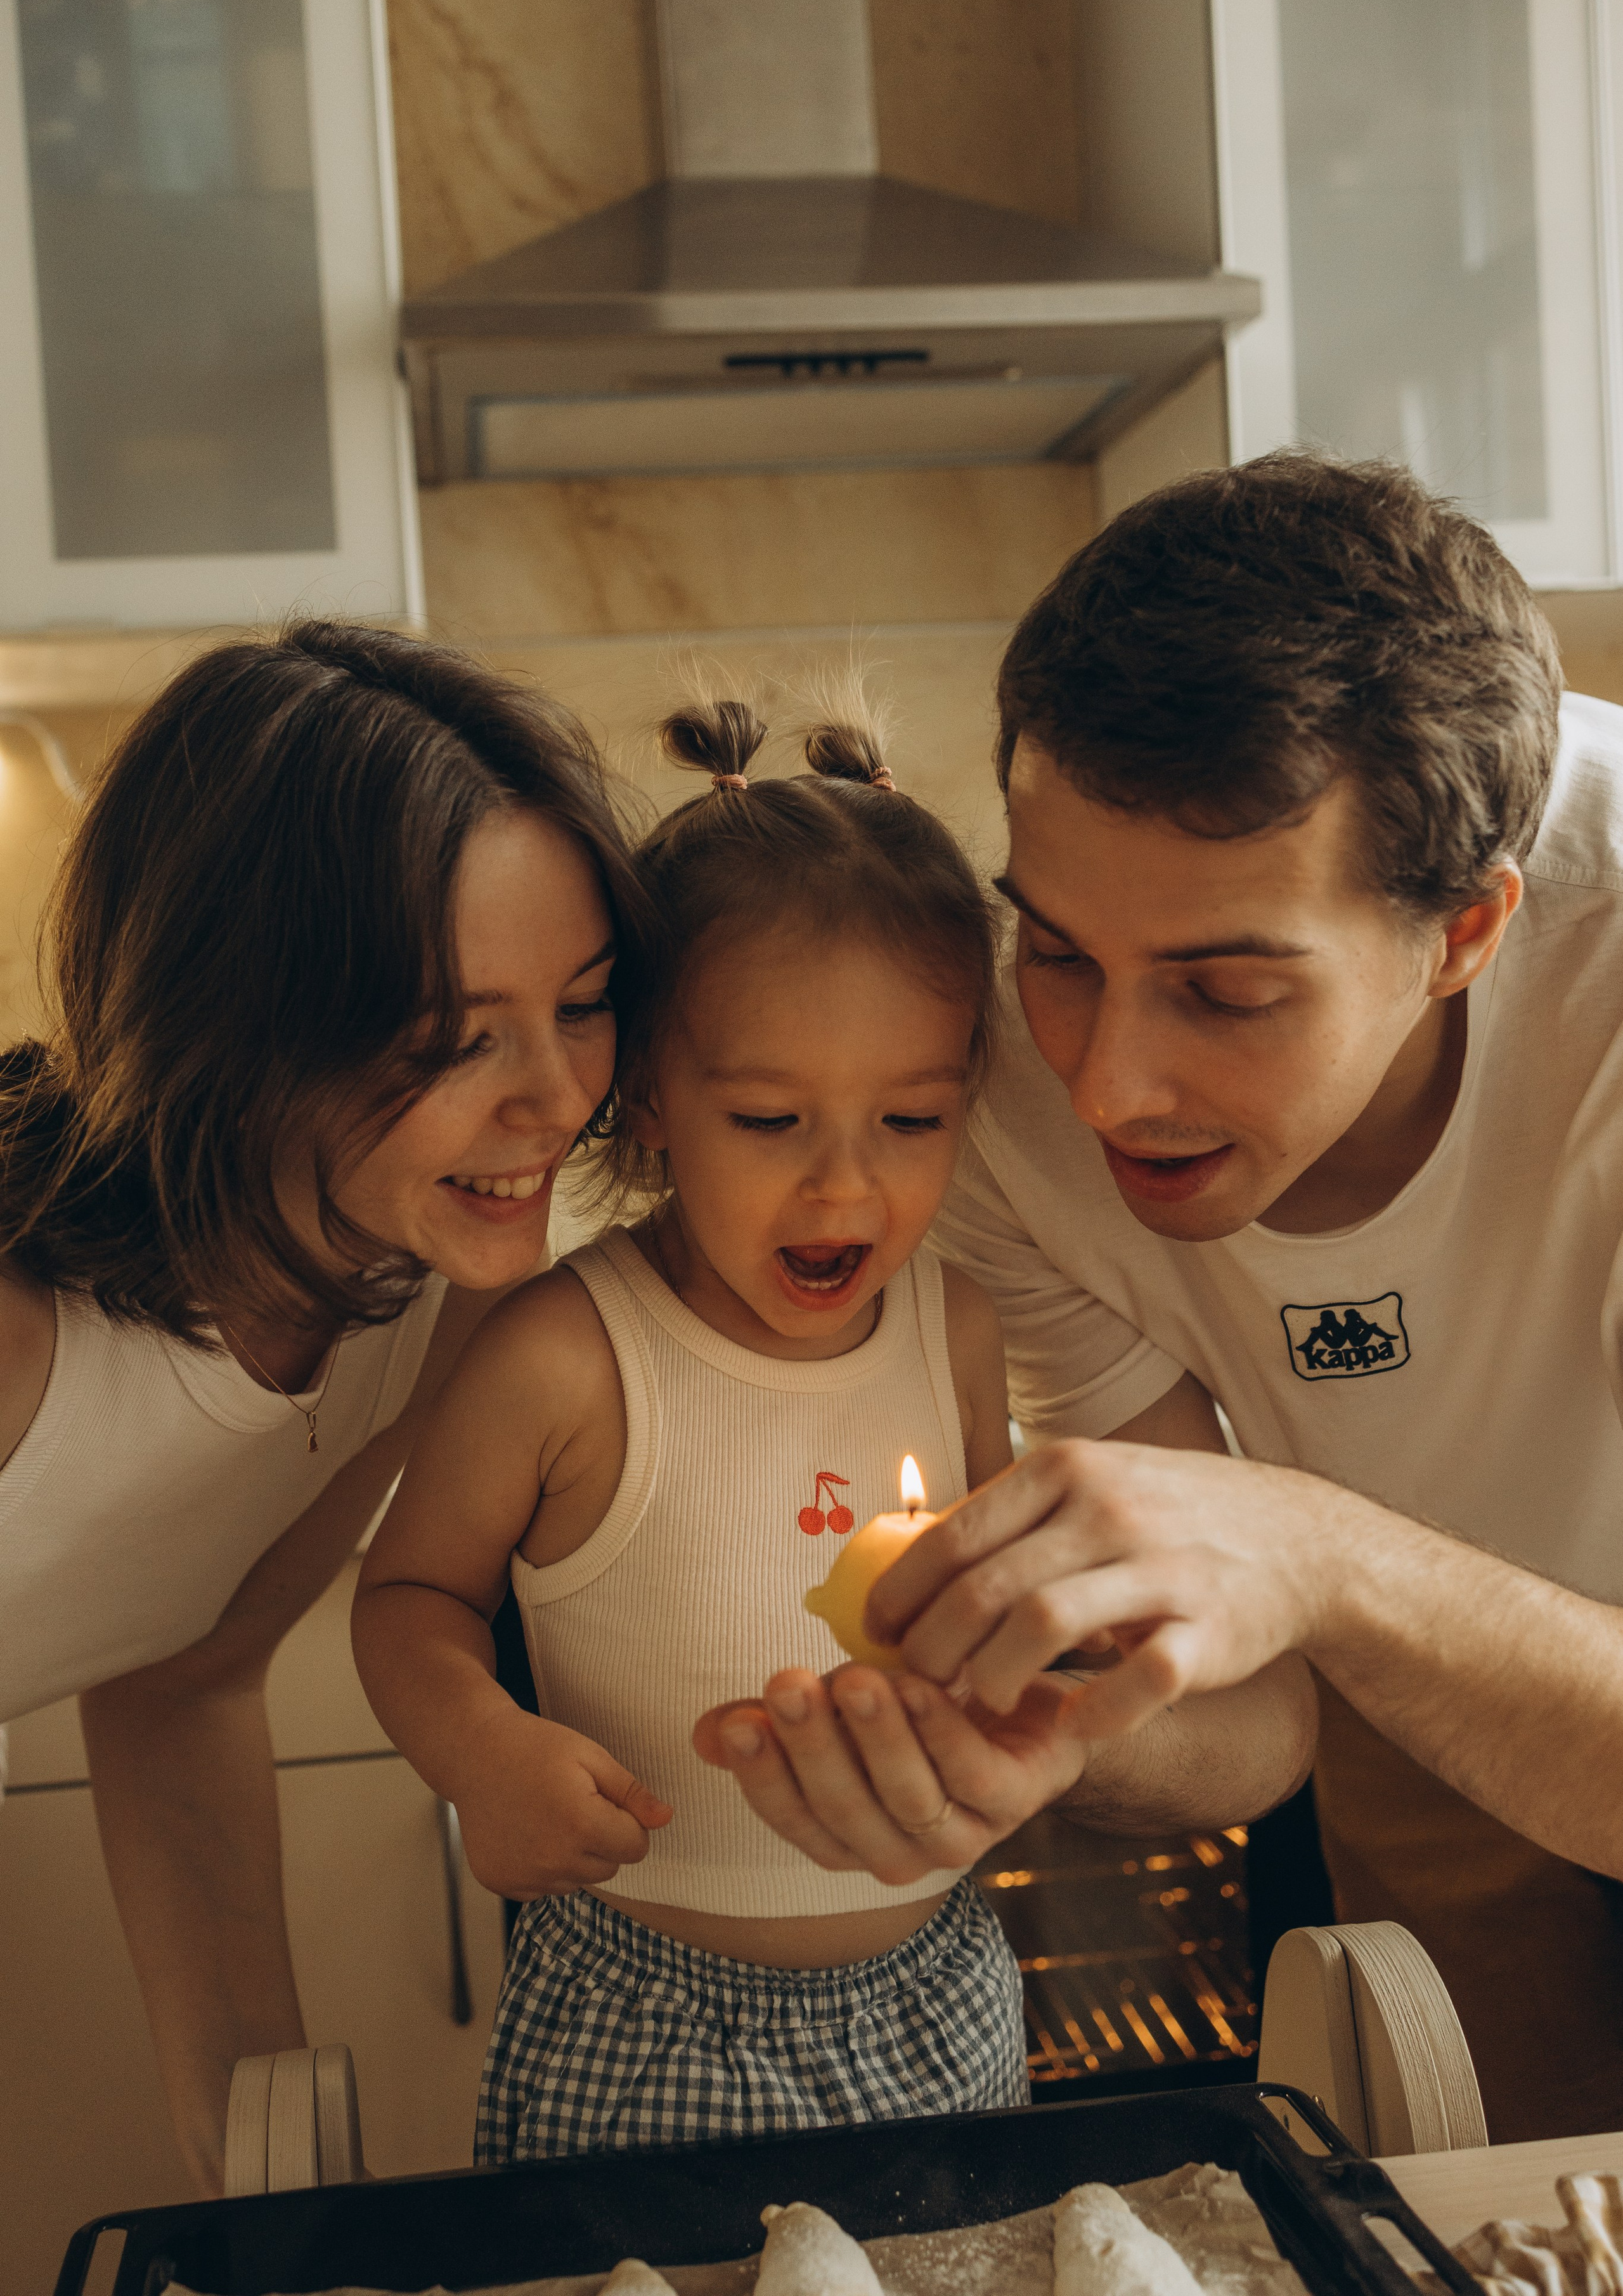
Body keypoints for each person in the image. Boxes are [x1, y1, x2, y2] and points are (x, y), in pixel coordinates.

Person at [727, 452, 1623, 2145]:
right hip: (1405, 1696)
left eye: (1223, 991)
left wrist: (1313, 1548)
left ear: (1465, 930)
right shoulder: (981, 1090)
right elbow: (1258, 1717)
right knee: (1495, 2211)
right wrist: (1063, 1739)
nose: (1107, 1086)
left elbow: (1305, 1580)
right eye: (1060, 954)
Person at [351, 699, 1314, 2160]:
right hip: (643, 2016)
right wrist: (482, 1753)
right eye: (769, 1123)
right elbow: (410, 1596)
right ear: (652, 1100)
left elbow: (982, 1604)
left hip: (941, 1992)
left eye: (911, 1123)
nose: (844, 1195)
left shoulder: (961, 1326)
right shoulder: (562, 1354)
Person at [0, 619, 654, 2193]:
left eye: (584, 1002)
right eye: (451, 1039)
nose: (558, 1100)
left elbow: (189, 1682)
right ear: (241, 1023)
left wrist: (267, 2199)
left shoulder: (435, 1285)